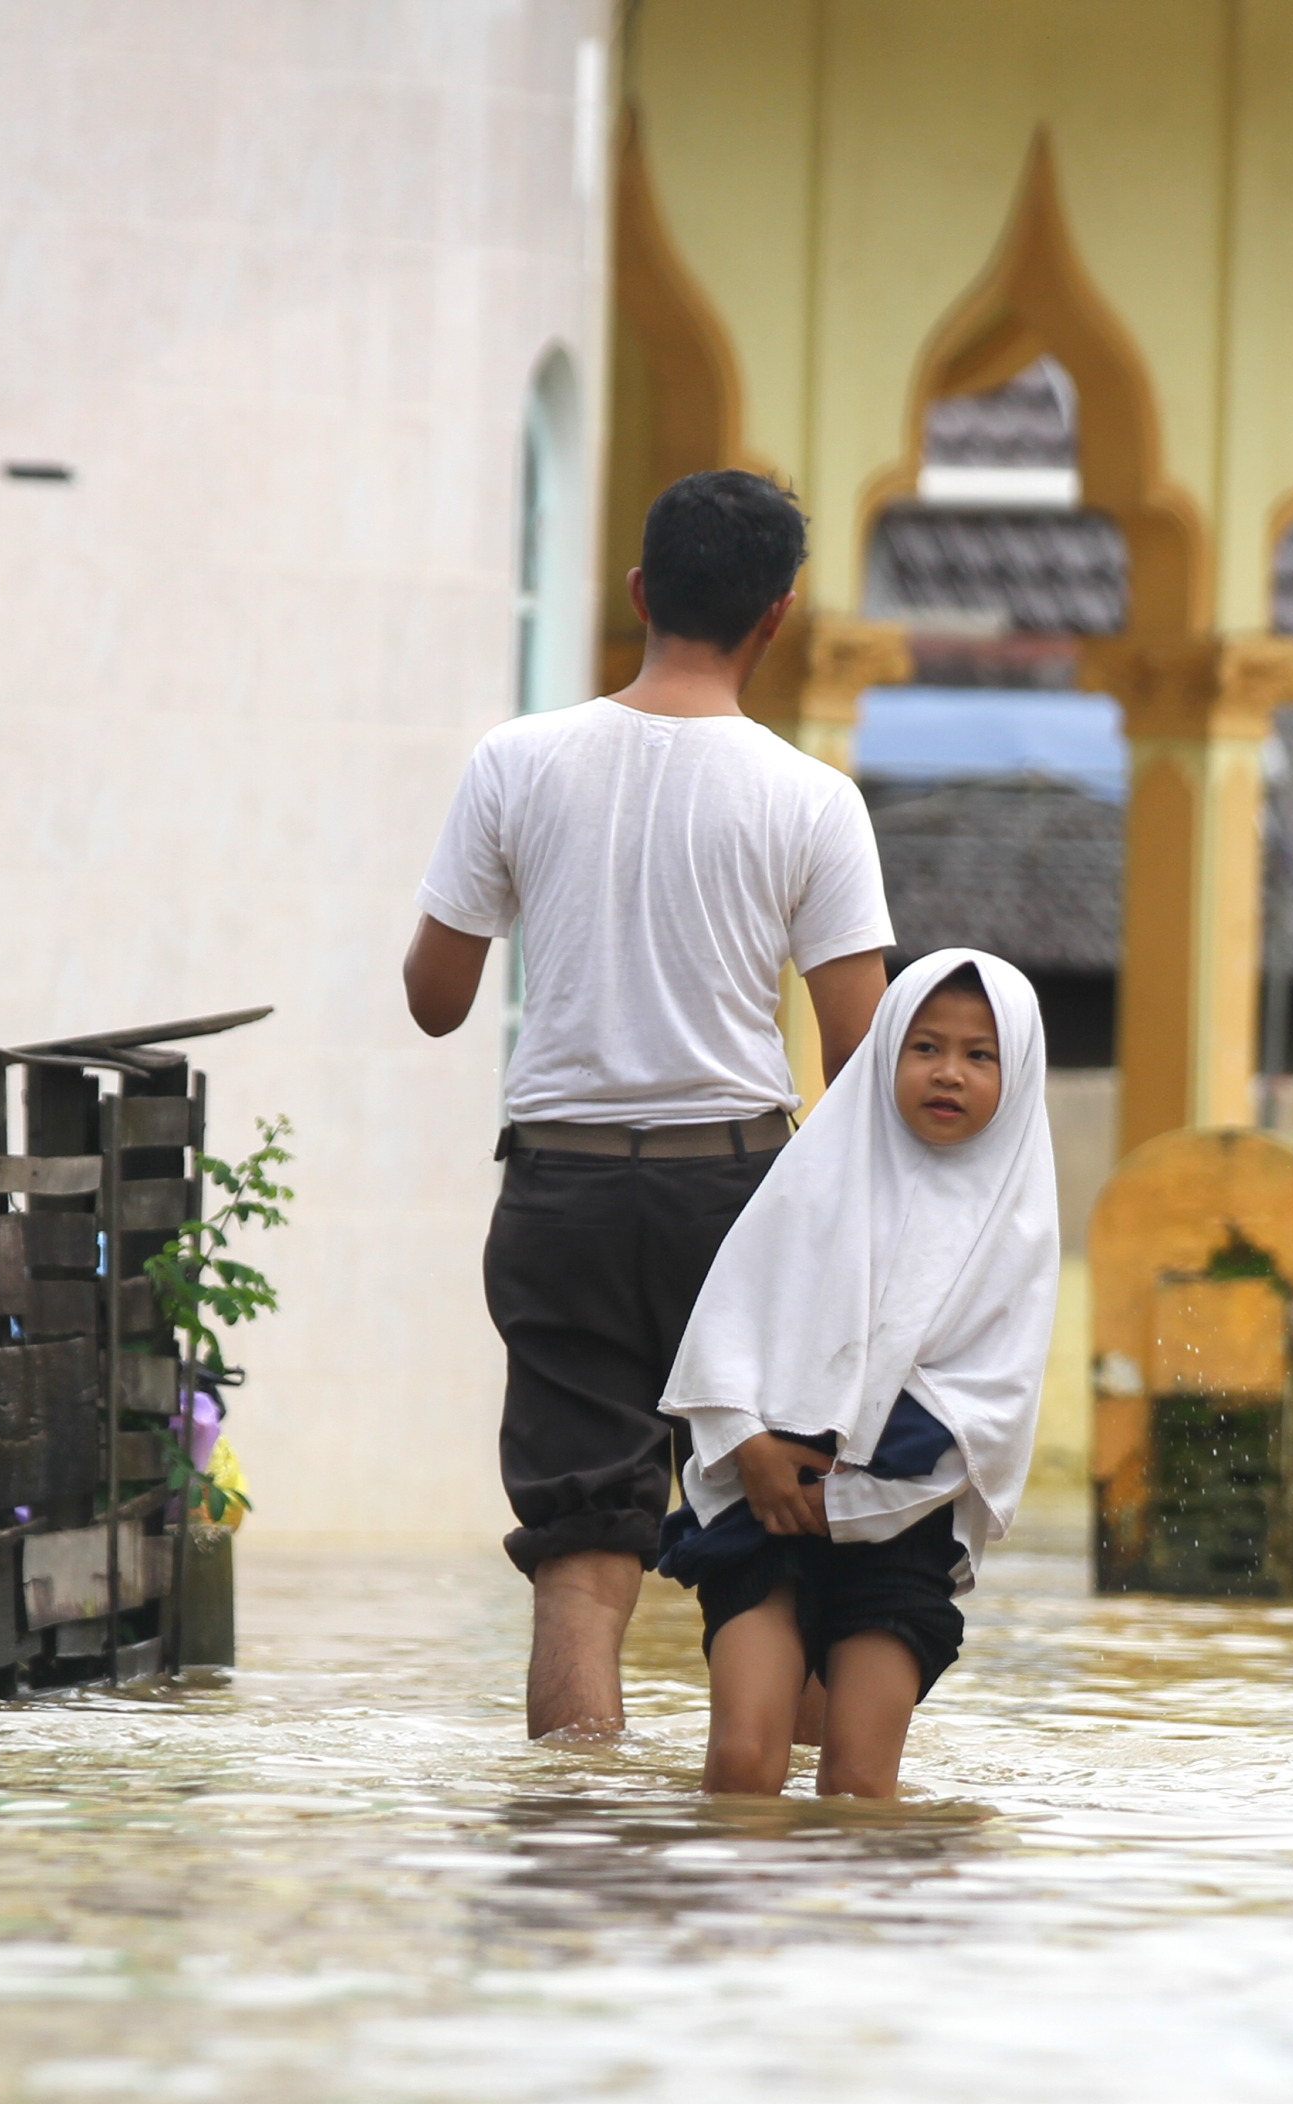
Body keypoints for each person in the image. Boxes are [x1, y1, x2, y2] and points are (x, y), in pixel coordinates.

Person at [406, 470, 894, 1737]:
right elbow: (858, 1056)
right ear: (776, 618)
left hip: (559, 1188)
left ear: (637, 592)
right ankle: (758, 1853)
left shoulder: (514, 760)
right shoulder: (813, 799)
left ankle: (573, 1846)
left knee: (579, 1554)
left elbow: (435, 998)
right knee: (767, 1525)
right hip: (737, 1194)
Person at [659, 952, 1059, 1800]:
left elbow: (983, 1414)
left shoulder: (1014, 1237)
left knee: (857, 1786)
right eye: (925, 1046)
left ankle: (849, 1936)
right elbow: (725, 1330)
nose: (948, 1072)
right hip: (761, 1505)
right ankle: (733, 1929)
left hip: (899, 1529)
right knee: (743, 1761)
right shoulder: (810, 1184)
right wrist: (752, 1447)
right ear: (885, 1052)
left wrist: (842, 1502)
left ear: (1017, 1072)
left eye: (980, 1054)